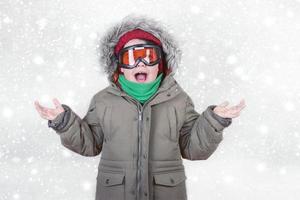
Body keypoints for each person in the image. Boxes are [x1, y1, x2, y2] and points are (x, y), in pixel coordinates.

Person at [34, 15, 246, 200]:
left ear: (160, 64)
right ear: (119, 67)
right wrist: (64, 123)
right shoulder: (103, 101)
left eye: (148, 56)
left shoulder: (179, 100)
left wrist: (213, 122)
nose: (140, 64)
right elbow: (89, 144)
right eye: (131, 57)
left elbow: (193, 148)